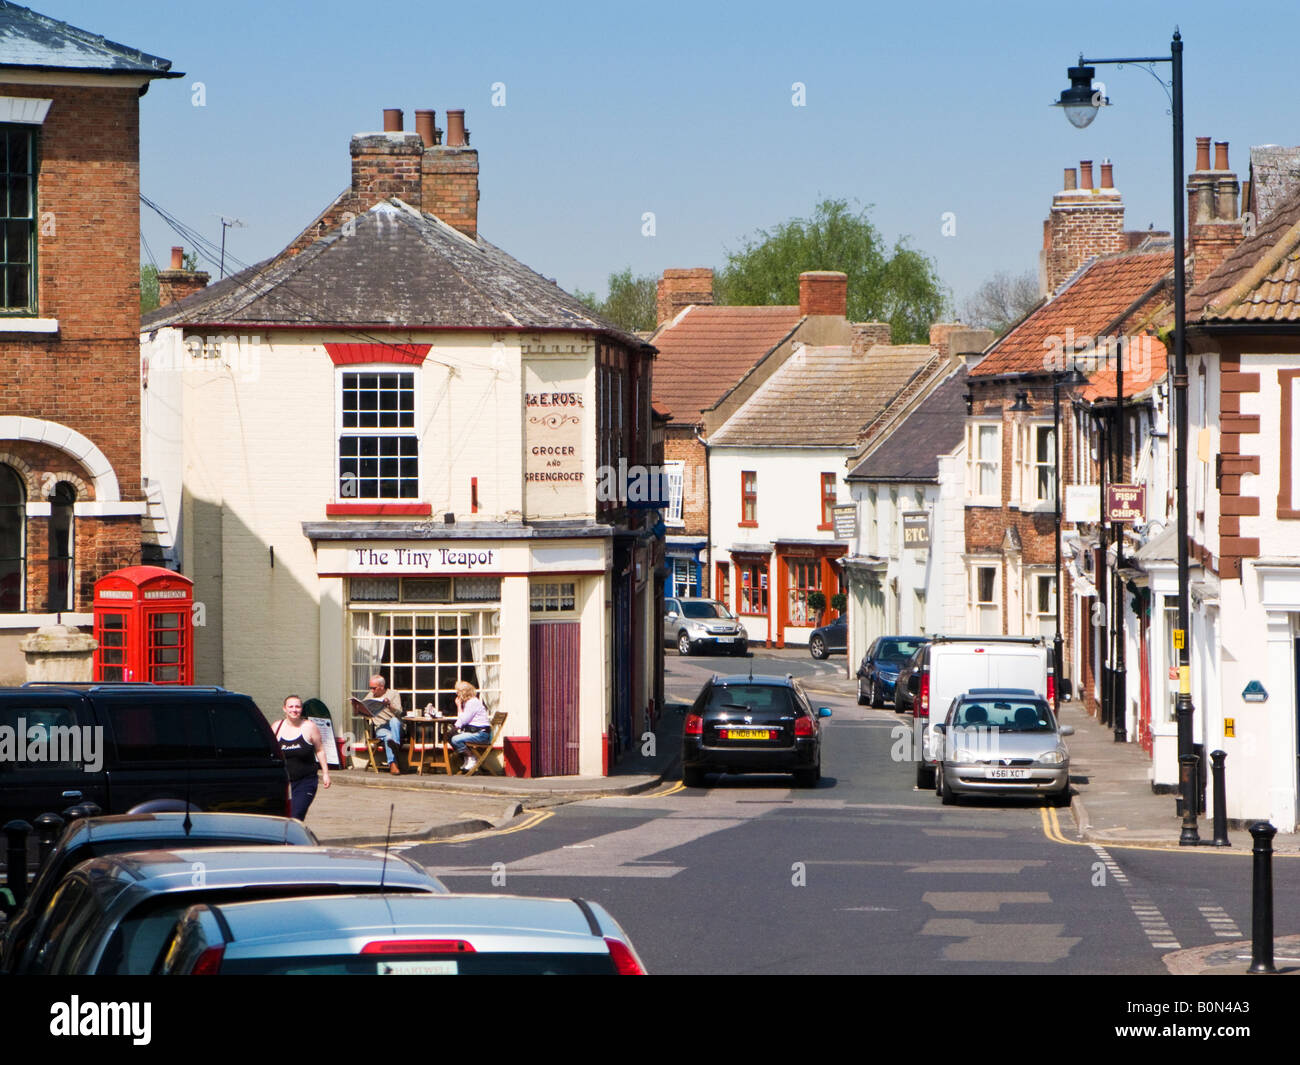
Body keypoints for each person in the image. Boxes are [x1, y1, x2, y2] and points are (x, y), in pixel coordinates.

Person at [275, 694, 331, 819]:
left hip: (305, 780)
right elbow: (270, 752)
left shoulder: (309, 727)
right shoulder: (277, 727)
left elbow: (320, 750)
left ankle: (294, 836)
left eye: (297, 707)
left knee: (296, 815)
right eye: (291, 706)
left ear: (301, 709)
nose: (294, 710)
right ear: (284, 708)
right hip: (283, 782)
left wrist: (326, 773)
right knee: (281, 817)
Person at [450, 680, 491, 773]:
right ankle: (467, 758)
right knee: (451, 736)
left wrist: (459, 706)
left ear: (463, 693)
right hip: (477, 732)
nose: (456, 694)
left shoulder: (472, 703)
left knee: (455, 739)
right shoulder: (469, 702)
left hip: (481, 734)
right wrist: (456, 726)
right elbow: (462, 719)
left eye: (458, 692)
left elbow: (464, 720)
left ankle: (471, 757)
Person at [367, 674, 405, 774]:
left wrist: (389, 705)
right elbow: (363, 710)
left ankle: (395, 744)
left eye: (374, 688)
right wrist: (357, 707)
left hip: (395, 727)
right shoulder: (370, 696)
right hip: (381, 727)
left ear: (381, 687)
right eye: (370, 688)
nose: (372, 691)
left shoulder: (393, 694)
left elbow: (399, 712)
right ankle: (393, 764)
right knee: (389, 737)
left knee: (394, 721)